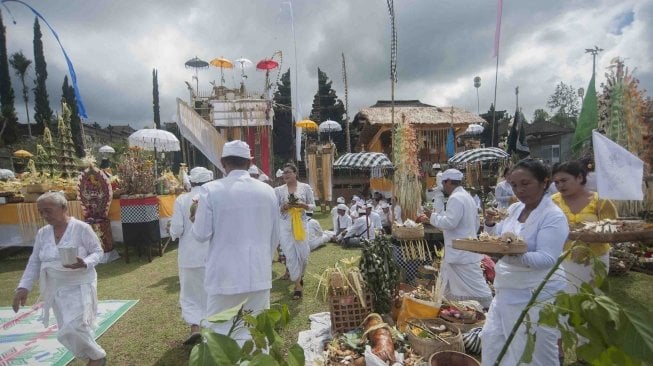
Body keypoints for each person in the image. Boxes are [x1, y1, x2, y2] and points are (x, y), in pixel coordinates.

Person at [191, 140, 280, 345]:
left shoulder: (210, 190)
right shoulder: (268, 192)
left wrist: (195, 219)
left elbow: (201, 234)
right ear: (250, 163)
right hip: (258, 272)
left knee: (219, 333)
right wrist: (264, 261)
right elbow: (274, 235)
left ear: (223, 163)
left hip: (224, 275)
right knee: (255, 331)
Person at [481, 159, 569, 366]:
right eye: (514, 185)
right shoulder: (513, 209)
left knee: (530, 350)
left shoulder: (553, 216)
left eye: (525, 183)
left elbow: (547, 258)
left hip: (535, 292)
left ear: (544, 182)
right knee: (493, 340)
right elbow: (498, 239)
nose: (519, 190)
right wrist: (490, 224)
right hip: (506, 289)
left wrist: (509, 255)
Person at [12, 192, 106, 366]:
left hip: (80, 284)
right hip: (56, 288)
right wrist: (23, 287)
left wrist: (84, 262)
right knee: (67, 329)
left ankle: (97, 356)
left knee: (74, 325)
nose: (45, 216)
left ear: (64, 208)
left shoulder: (81, 228)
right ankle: (93, 355)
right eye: (41, 212)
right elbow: (34, 261)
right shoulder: (42, 233)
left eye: (48, 210)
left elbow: (98, 252)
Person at [421, 169, 493, 308]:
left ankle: (488, 307)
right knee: (447, 284)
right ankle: (454, 309)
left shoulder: (456, 198)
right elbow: (476, 223)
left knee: (477, 287)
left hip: (461, 253)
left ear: (448, 182)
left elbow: (449, 223)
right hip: (463, 251)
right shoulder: (466, 196)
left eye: (443, 183)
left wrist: (432, 216)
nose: (443, 186)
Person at [551, 161, 617, 293]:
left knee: (592, 299)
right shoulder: (553, 201)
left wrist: (591, 231)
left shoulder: (601, 201)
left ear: (580, 177)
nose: (560, 185)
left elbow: (613, 229)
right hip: (563, 258)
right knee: (566, 299)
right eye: (556, 182)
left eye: (564, 180)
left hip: (595, 259)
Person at [169, 166, 213, 344]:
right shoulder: (213, 197)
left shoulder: (182, 199)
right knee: (212, 292)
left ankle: (195, 327)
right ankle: (214, 331)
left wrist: (171, 230)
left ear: (191, 181)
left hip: (189, 256)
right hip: (212, 254)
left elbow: (177, 228)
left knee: (190, 293)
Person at [274, 162, 315, 300]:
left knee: (303, 255)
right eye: (284, 172)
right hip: (284, 225)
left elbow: (313, 206)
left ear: (295, 173)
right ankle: (297, 285)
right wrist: (283, 207)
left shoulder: (305, 188)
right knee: (290, 256)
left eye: (288, 172)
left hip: (301, 224)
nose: (285, 175)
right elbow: (274, 209)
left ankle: (299, 276)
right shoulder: (278, 190)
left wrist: (304, 205)